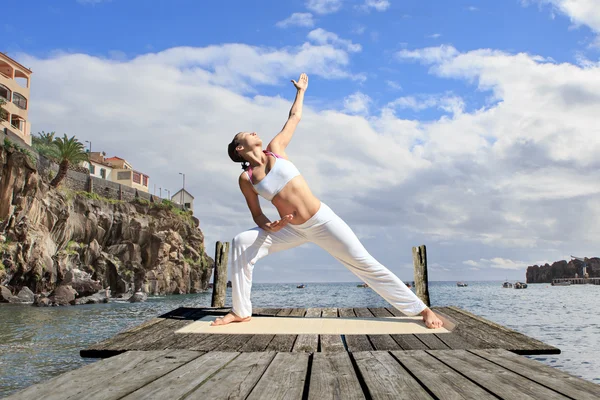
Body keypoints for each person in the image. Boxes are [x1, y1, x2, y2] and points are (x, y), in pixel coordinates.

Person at [214, 73, 443, 329]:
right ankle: (241, 310)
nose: (254, 132)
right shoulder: (246, 179)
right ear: (239, 149)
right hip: (291, 229)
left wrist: (300, 91)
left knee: (364, 264)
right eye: (247, 133)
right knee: (241, 242)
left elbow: (294, 118)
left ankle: (421, 309)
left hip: (322, 221)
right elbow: (256, 214)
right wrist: (270, 226)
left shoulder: (275, 148)